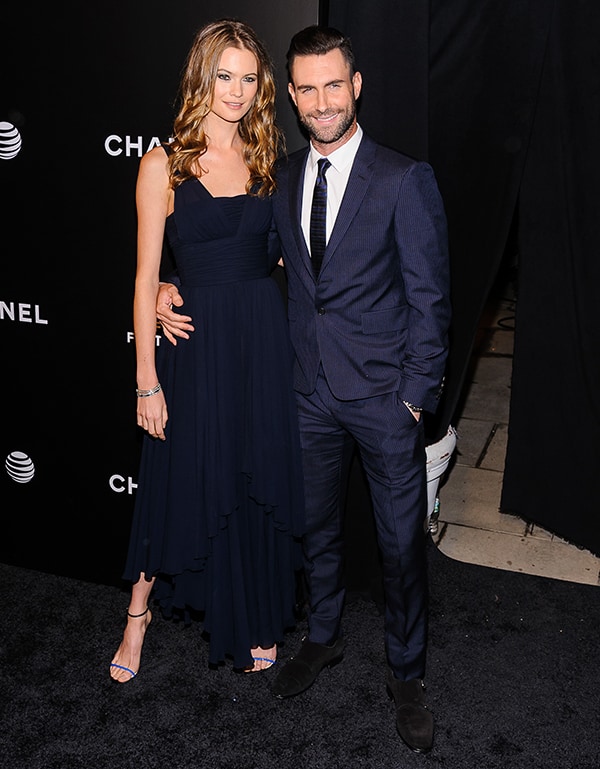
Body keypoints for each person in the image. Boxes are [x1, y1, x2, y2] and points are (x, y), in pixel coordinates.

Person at [157, 25, 450, 755]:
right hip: (306, 391)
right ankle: (321, 636)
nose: (322, 101)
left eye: (334, 85)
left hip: (385, 398)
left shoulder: (404, 178)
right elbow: (236, 258)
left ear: (356, 87)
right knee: (316, 529)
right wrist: (167, 283)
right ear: (290, 96)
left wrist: (415, 398)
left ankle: (407, 674)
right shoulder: (279, 175)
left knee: (398, 544)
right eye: (306, 88)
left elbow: (430, 299)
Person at [109, 18, 305, 684]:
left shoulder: (271, 161)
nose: (238, 90)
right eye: (225, 75)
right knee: (173, 479)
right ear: (201, 76)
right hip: (194, 349)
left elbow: (281, 259)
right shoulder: (161, 162)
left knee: (251, 476)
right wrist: (145, 380)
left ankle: (255, 614)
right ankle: (137, 615)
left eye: (250, 78)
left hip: (261, 341)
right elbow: (142, 278)